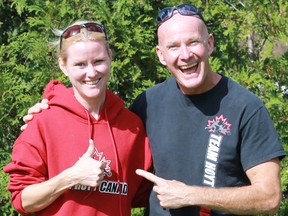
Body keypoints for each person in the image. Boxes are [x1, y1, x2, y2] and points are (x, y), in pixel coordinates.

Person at [19, 4, 286, 216]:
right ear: (160, 55)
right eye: (173, 46)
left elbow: (270, 197)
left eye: (193, 42)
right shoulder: (147, 103)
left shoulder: (245, 106)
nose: (185, 55)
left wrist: (192, 195)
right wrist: (48, 110)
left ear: (210, 44)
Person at [3, 20, 153, 216]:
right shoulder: (43, 122)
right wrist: (70, 177)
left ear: (110, 57)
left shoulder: (131, 126)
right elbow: (22, 199)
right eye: (80, 64)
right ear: (63, 66)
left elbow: (142, 194)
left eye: (98, 61)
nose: (91, 73)